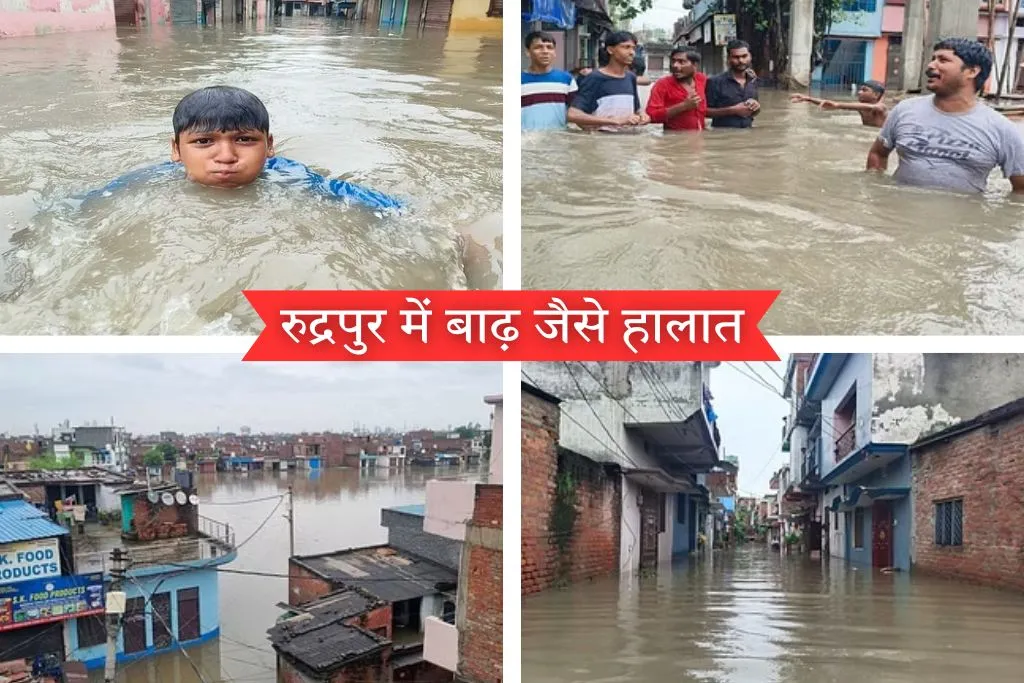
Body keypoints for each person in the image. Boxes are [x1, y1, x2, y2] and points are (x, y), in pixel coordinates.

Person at [86, 86, 401, 210]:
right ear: (176, 150)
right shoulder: (156, 178)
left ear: (269, 146)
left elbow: (346, 193)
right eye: (203, 142)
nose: (226, 156)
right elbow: (87, 202)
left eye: (245, 140)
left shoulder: (288, 174)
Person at [867, 38, 1024, 194]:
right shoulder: (904, 110)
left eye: (943, 60)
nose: (930, 65)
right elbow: (878, 154)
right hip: (898, 214)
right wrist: (876, 193)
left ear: (972, 71)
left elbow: (1021, 190)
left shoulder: (1002, 129)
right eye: (933, 59)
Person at [568, 31, 651, 133]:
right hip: (602, 141)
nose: (632, 52)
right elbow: (573, 114)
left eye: (633, 48)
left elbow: (637, 109)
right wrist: (615, 121)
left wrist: (643, 115)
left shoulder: (631, 77)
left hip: (627, 141)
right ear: (610, 50)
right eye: (626, 47)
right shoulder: (594, 78)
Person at [521, 31, 578, 131]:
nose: (545, 51)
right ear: (528, 52)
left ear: (554, 52)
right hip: (527, 142)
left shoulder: (566, 80)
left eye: (549, 47)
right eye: (538, 47)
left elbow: (577, 112)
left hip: (557, 141)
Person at [646, 48, 708, 131]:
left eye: (681, 62)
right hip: (674, 140)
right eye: (673, 61)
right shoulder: (662, 85)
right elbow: (651, 115)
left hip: (700, 137)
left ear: (695, 65)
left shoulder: (701, 79)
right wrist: (683, 106)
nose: (675, 65)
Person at [705, 39, 760, 129]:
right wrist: (732, 110)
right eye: (736, 57)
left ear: (750, 56)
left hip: (748, 135)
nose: (741, 60)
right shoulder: (714, 82)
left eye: (744, 56)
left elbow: (754, 112)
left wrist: (757, 107)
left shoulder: (753, 80)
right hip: (723, 137)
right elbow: (704, 112)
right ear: (728, 58)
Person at [791, 80, 888, 128]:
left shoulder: (881, 107)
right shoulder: (860, 106)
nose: (859, 92)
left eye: (864, 90)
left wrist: (837, 104)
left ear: (876, 95)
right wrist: (808, 99)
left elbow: (873, 107)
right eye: (860, 89)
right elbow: (828, 104)